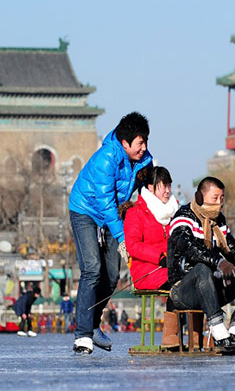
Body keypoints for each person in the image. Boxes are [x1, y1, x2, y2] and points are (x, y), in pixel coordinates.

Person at [69, 112, 153, 354]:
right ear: (124, 142)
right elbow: (106, 203)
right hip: (85, 211)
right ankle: (83, 335)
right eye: (139, 143)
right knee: (92, 269)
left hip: (110, 217)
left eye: (145, 141)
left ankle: (92, 324)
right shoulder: (106, 159)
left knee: (113, 275)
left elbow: (147, 191)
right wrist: (123, 238)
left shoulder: (144, 160)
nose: (143, 148)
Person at [167, 176, 235, 347]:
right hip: (183, 290)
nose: (219, 203)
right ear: (200, 197)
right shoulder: (183, 219)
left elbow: (232, 249)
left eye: (222, 198)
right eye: (215, 198)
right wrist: (219, 262)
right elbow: (191, 249)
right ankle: (216, 325)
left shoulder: (218, 222)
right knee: (202, 267)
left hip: (210, 289)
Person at [123, 166, 180, 349]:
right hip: (147, 270)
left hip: (171, 266)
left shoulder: (175, 211)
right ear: (150, 187)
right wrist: (160, 257)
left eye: (169, 185)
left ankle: (197, 334)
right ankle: (170, 336)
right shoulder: (136, 213)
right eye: (162, 186)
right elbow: (133, 246)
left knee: (197, 278)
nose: (167, 190)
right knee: (179, 282)